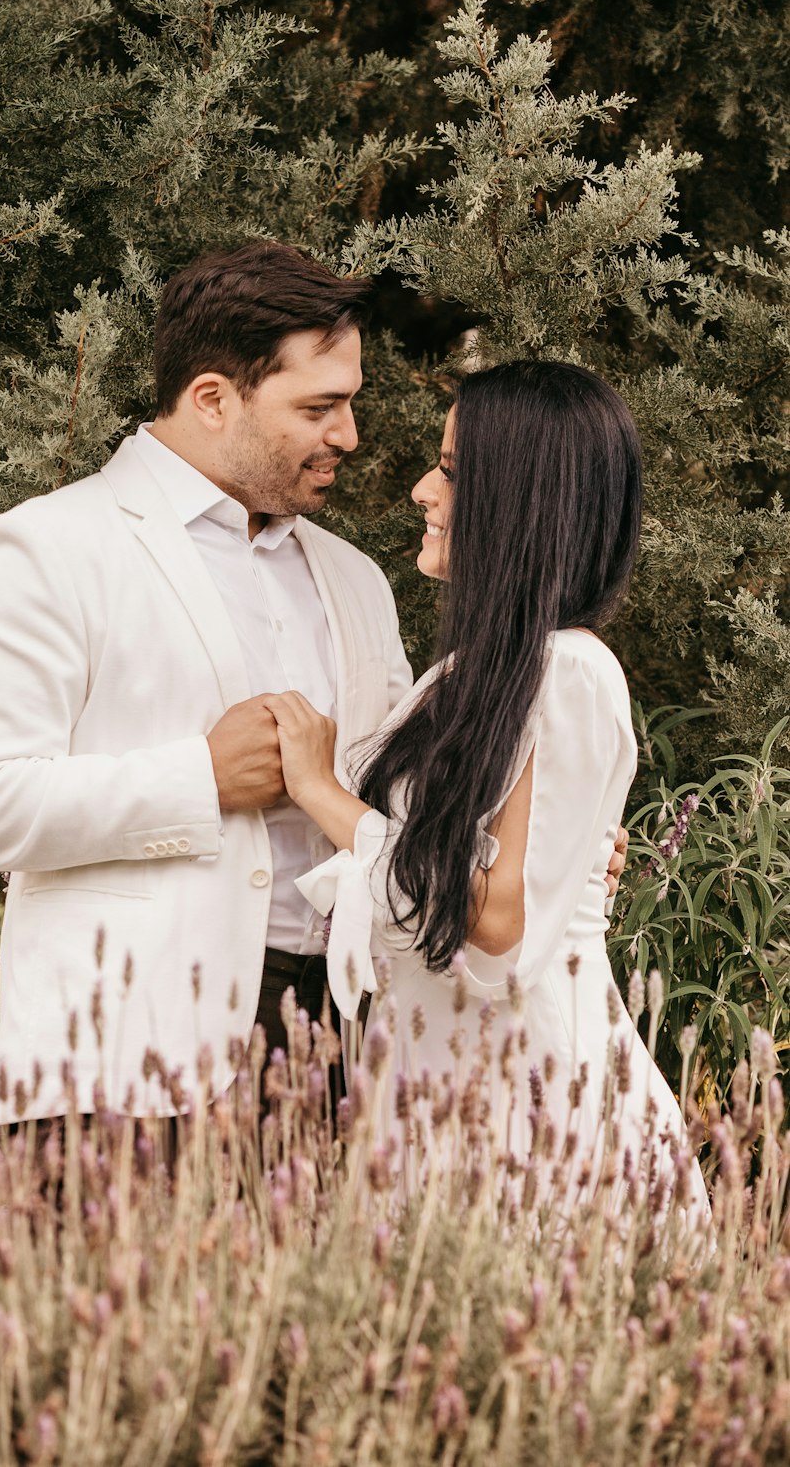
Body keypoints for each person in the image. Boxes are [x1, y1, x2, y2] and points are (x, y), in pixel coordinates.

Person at [0, 241, 414, 1128]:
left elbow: (395, 795)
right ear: (214, 399)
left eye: (349, 404)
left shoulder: (355, 579)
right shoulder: (52, 547)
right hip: (127, 1066)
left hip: (340, 1060)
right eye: (320, 407)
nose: (348, 435)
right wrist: (200, 778)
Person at [263, 361, 709, 1215]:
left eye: (455, 471)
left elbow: (501, 930)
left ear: (522, 501)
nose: (424, 490)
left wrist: (322, 792)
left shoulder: (571, 673)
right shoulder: (466, 677)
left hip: (536, 1114)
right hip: (442, 1097)